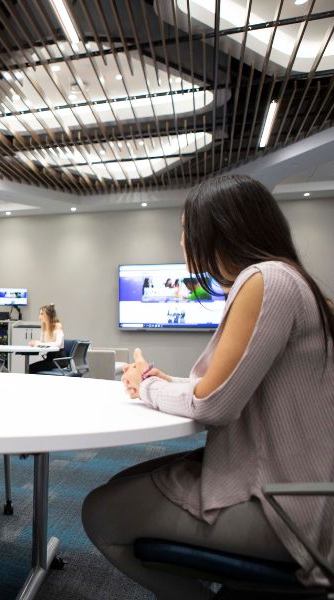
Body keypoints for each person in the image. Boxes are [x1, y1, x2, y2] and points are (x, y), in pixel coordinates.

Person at [82, 174, 334, 598]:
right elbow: (240, 386)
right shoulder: (293, 280)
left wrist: (144, 385)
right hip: (307, 488)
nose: (183, 242)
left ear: (217, 230)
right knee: (120, 484)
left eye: (185, 230)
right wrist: (169, 381)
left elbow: (213, 404)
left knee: (98, 512)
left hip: (292, 511)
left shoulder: (264, 281)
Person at [28, 304, 65, 374]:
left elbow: (58, 344)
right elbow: (42, 342)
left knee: (31, 368)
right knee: (29, 368)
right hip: (50, 359)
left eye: (42, 314)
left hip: (59, 360)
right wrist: (35, 342)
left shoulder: (58, 325)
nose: (39, 317)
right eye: (40, 314)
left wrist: (39, 343)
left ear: (48, 315)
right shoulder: (44, 327)